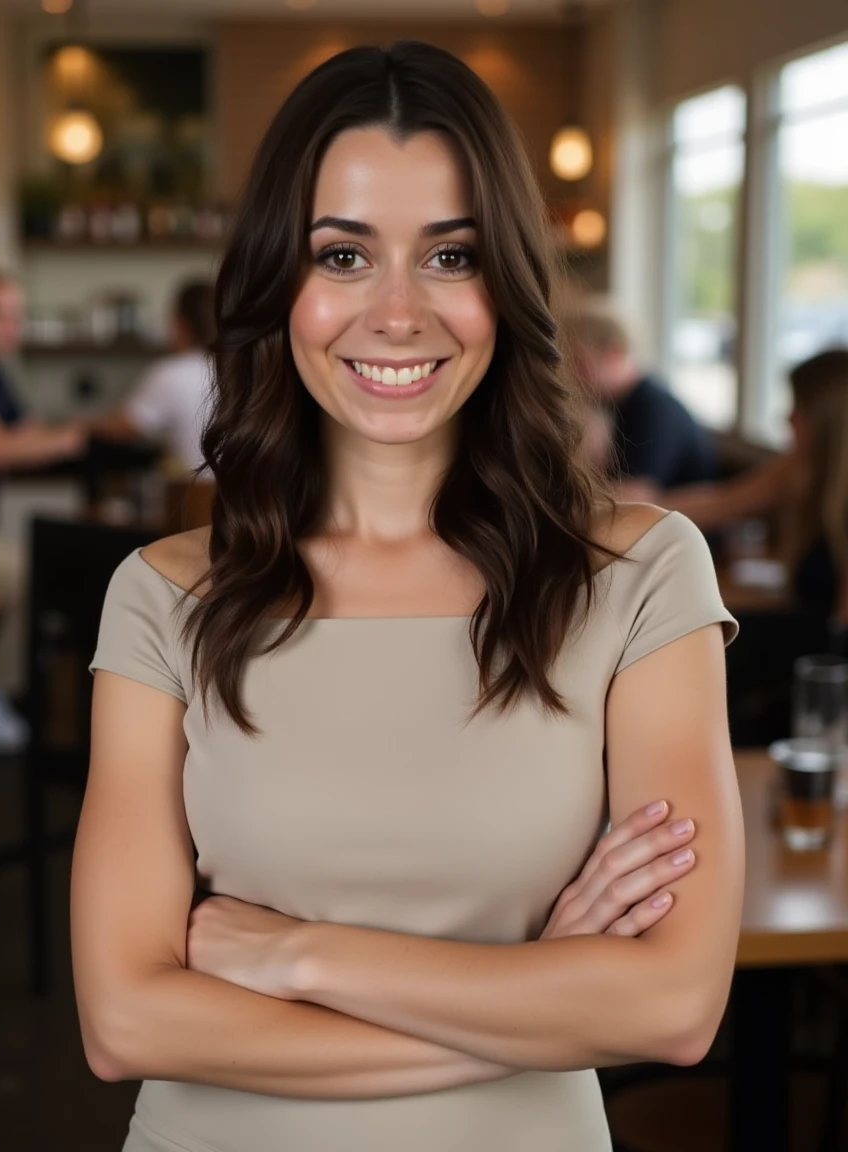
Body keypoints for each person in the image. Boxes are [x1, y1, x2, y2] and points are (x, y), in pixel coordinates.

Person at [72, 42, 744, 1152]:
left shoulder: (637, 574)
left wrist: (301, 956)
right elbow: (124, 1019)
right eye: (341, 255)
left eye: (448, 256)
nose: (394, 314)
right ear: (277, 281)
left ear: (506, 283)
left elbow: (671, 1007)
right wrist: (536, 994)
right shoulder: (162, 597)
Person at [0, 269, 86, 752]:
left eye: (17, 317)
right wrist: (67, 437)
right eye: (1, 317)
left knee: (43, 565)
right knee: (33, 570)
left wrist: (51, 437)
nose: (14, 328)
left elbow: (26, 432)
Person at [650, 347, 848, 622]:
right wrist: (635, 509)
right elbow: (722, 502)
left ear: (829, 420)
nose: (788, 417)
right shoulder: (797, 468)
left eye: (800, 408)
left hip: (821, 652)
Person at [568, 300, 719, 489]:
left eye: (579, 362)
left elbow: (635, 495)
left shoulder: (654, 408)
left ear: (613, 353)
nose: (572, 374)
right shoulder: (617, 404)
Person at [92, 280, 215, 473]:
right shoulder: (236, 370)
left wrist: (80, 425)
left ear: (179, 323)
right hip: (240, 495)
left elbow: (122, 427)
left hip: (193, 494)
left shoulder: (172, 372)